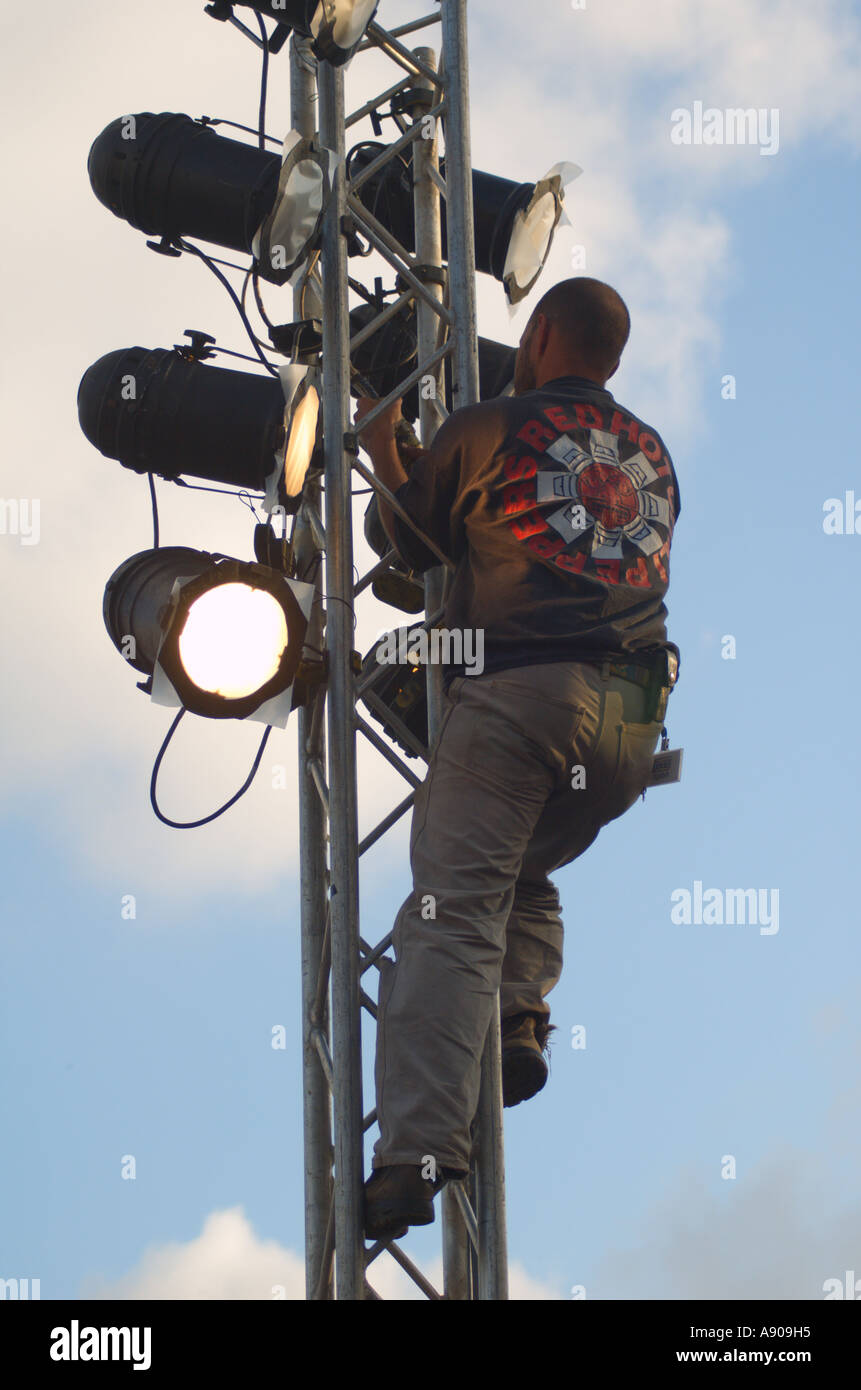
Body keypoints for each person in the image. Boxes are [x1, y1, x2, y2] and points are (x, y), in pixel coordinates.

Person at [354, 277, 681, 1242]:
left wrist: (384, 452)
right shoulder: (653, 455)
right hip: (631, 716)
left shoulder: (488, 425)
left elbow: (413, 548)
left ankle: (413, 1154)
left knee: (448, 917)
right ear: (610, 359)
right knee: (522, 861)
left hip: (523, 691)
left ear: (536, 336)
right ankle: (515, 1021)